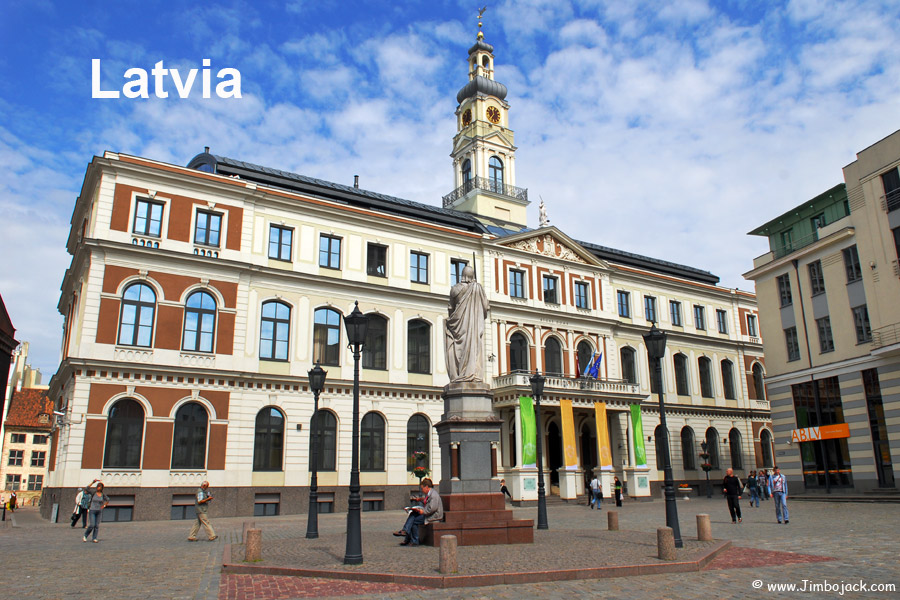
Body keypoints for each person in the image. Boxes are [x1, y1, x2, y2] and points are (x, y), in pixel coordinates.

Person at [444, 266, 489, 383]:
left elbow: (451, 309)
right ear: (472, 276)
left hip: (458, 328)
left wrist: (454, 319)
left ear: (462, 275)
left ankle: (460, 373)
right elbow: (486, 308)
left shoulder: (455, 289)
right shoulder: (478, 288)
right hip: (472, 328)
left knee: (459, 350)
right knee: (473, 349)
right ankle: (472, 373)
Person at [395, 478, 443, 546]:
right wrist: (420, 500)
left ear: (426, 487)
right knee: (413, 514)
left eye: (422, 488)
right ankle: (406, 534)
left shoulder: (434, 495)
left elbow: (432, 509)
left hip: (433, 516)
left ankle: (412, 538)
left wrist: (422, 511)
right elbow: (427, 502)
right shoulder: (429, 493)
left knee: (414, 521)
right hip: (428, 513)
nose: (422, 490)